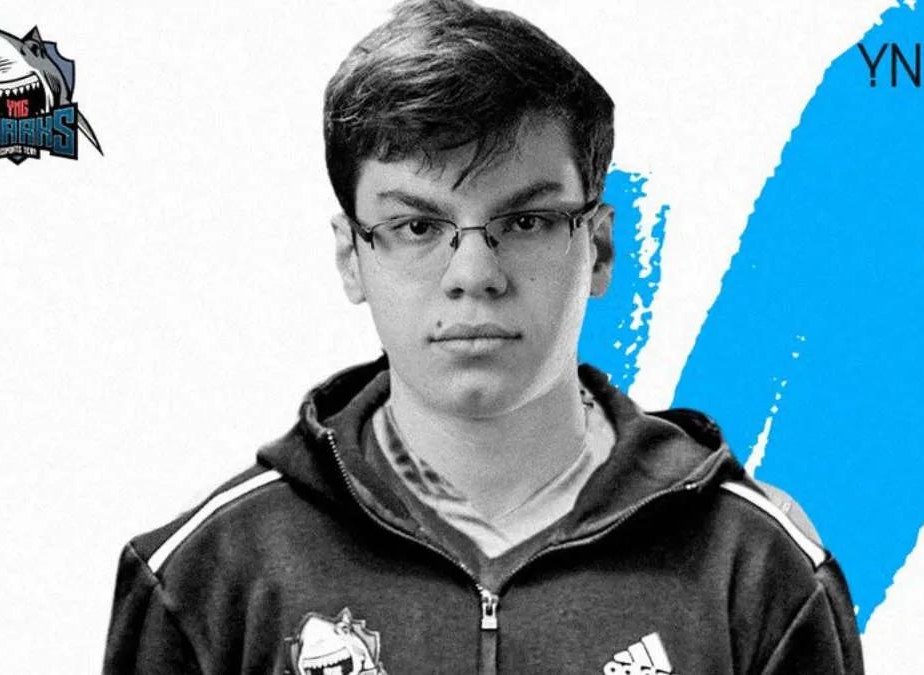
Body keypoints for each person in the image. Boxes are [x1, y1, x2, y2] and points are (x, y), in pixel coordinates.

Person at [103, 1, 863, 672]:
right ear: (352, 257)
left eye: (526, 221)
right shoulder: (207, 576)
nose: (474, 274)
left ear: (598, 249)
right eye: (416, 226)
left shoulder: (755, 569)